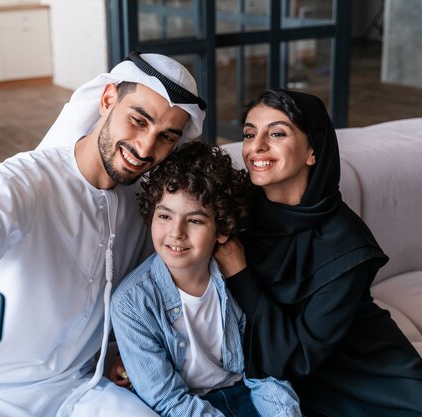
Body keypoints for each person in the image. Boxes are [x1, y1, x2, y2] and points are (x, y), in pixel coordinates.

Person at [0, 51, 206, 417]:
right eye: (138, 121)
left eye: (165, 137)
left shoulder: (146, 206)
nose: (145, 148)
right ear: (108, 99)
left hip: (75, 391)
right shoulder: (21, 182)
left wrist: (123, 352)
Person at [214, 89, 422, 417]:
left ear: (312, 150)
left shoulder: (346, 243)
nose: (256, 147)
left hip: (371, 382)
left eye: (276, 133)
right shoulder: (234, 212)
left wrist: (239, 272)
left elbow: (297, 360)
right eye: (248, 134)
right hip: (285, 384)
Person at [110, 140, 302, 417]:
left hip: (246, 392)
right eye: (164, 215)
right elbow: (167, 399)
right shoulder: (131, 303)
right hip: (183, 406)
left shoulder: (238, 279)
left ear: (222, 230)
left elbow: (266, 371)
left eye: (195, 220)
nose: (176, 233)